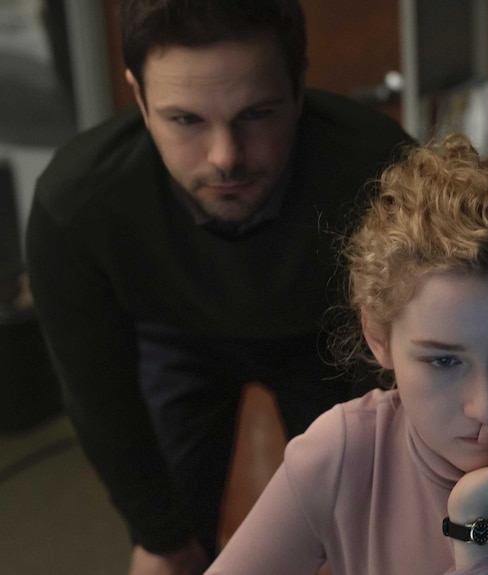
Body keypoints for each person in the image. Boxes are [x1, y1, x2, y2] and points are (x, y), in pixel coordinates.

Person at [25, 1, 412, 573]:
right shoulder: (77, 205)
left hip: (331, 338)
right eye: (186, 120)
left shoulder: (381, 168)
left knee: (369, 530)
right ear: (137, 98)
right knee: (165, 549)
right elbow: (98, 396)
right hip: (177, 333)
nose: (225, 157)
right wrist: (159, 538)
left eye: (256, 114)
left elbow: (413, 375)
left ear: (300, 83)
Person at [204, 135, 488, 575]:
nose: (487, 406)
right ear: (377, 337)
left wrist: (478, 533)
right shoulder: (343, 453)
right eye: (444, 361)